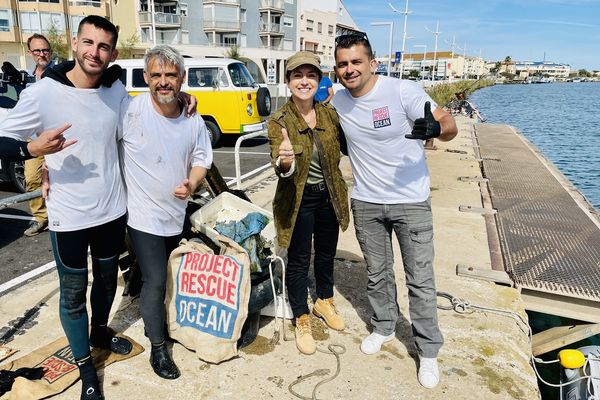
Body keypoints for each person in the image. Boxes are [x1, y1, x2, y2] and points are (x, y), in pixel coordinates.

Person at [0, 16, 135, 400]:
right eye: (88, 43)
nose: (95, 52)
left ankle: (100, 335)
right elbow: (3, 139)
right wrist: (32, 150)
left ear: (113, 53)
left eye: (104, 46)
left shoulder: (115, 91)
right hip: (69, 217)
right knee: (73, 294)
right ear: (75, 43)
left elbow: (140, 129)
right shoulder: (45, 92)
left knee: (108, 284)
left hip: (112, 211)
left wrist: (180, 100)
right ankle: (85, 368)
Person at [331, 33, 458, 389]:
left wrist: (436, 129)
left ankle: (428, 351)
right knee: (377, 273)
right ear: (337, 69)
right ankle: (384, 327)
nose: (350, 69)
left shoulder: (404, 91)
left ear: (373, 63)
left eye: (357, 62)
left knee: (420, 279)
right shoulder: (339, 101)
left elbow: (449, 125)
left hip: (411, 201)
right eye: (343, 64)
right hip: (367, 201)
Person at [119, 45, 212, 379]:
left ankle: (151, 314)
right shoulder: (130, 111)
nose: (163, 82)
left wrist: (192, 183)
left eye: (170, 75)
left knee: (166, 277)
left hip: (175, 213)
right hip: (141, 215)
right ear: (145, 77)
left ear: (182, 79)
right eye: (155, 75)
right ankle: (159, 348)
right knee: (157, 280)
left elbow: (202, 157)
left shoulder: (192, 117)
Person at [268, 51, 349, 355]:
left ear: (319, 80)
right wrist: (285, 160)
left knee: (327, 254)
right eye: (297, 75)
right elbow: (281, 165)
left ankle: (323, 301)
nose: (304, 81)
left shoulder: (329, 114)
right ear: (288, 81)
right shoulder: (279, 120)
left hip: (330, 195)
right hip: (299, 199)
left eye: (311, 75)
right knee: (300, 259)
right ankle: (301, 315)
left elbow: (349, 146)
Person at [22, 33, 54, 236]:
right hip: (35, 139)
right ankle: (41, 218)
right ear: (30, 53)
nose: (42, 54)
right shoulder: (24, 77)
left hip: (60, 137)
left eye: (45, 50)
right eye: (37, 51)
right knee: (32, 179)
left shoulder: (62, 73)